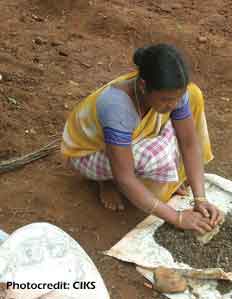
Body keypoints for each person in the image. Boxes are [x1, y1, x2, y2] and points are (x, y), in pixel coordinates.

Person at [61, 44, 223, 234]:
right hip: (87, 153)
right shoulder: (117, 107)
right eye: (166, 99)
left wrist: (201, 199)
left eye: (177, 97)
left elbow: (188, 142)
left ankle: (146, 184)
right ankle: (105, 180)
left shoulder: (172, 94)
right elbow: (126, 177)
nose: (174, 104)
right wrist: (177, 217)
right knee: (160, 155)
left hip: (126, 141)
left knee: (193, 97)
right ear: (143, 86)